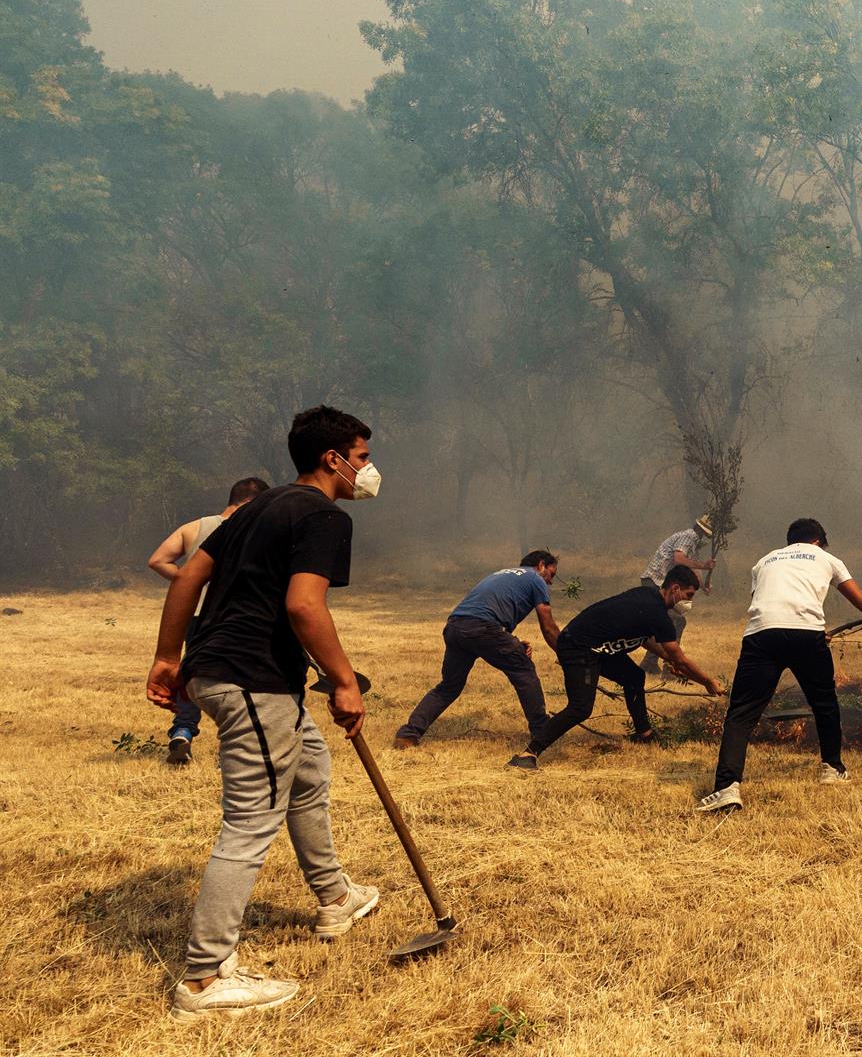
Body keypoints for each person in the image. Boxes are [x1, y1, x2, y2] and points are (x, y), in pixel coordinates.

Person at [143, 405, 383, 1022]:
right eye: (360, 456)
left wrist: (171, 657)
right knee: (251, 823)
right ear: (333, 460)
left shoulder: (258, 506)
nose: (367, 469)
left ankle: (334, 897)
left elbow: (188, 576)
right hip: (252, 680)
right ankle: (204, 980)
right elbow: (306, 606)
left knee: (308, 770)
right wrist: (345, 681)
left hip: (233, 672)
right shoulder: (324, 515)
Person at [696, 519, 862, 812]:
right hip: (807, 635)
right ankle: (832, 768)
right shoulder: (828, 559)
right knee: (824, 703)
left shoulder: (764, 561)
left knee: (741, 713)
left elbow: (765, 603)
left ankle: (727, 787)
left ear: (791, 541)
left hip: (761, 634)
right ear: (818, 540)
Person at [509, 564, 723, 769]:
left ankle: (644, 735)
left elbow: (645, 637)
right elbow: (681, 660)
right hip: (579, 647)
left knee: (634, 677)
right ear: (675, 588)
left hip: (597, 648)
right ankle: (528, 754)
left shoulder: (648, 598)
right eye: (689, 595)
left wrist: (667, 658)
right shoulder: (658, 614)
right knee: (580, 708)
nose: (689, 602)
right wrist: (707, 682)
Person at [145, 476, 271, 766]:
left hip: (195, 615)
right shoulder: (256, 529)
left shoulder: (194, 527)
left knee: (192, 675)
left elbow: (157, 560)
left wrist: (188, 582)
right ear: (255, 503)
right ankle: (234, 744)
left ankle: (183, 731)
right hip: (237, 617)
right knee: (239, 679)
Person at [392, 552, 562, 751]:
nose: (550, 582)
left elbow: (487, 611)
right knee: (524, 671)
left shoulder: (502, 574)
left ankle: (408, 735)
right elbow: (548, 626)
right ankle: (542, 733)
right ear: (541, 565)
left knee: (448, 687)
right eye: (551, 574)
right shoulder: (535, 578)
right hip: (483, 629)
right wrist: (567, 654)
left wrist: (512, 642)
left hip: (456, 626)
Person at [638, 515, 716, 672]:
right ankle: (670, 667)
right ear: (701, 530)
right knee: (676, 621)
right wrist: (704, 565)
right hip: (656, 582)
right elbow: (679, 559)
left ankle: (651, 663)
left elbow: (692, 568)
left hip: (657, 582)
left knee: (670, 621)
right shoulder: (688, 536)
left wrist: (703, 585)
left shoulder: (692, 542)